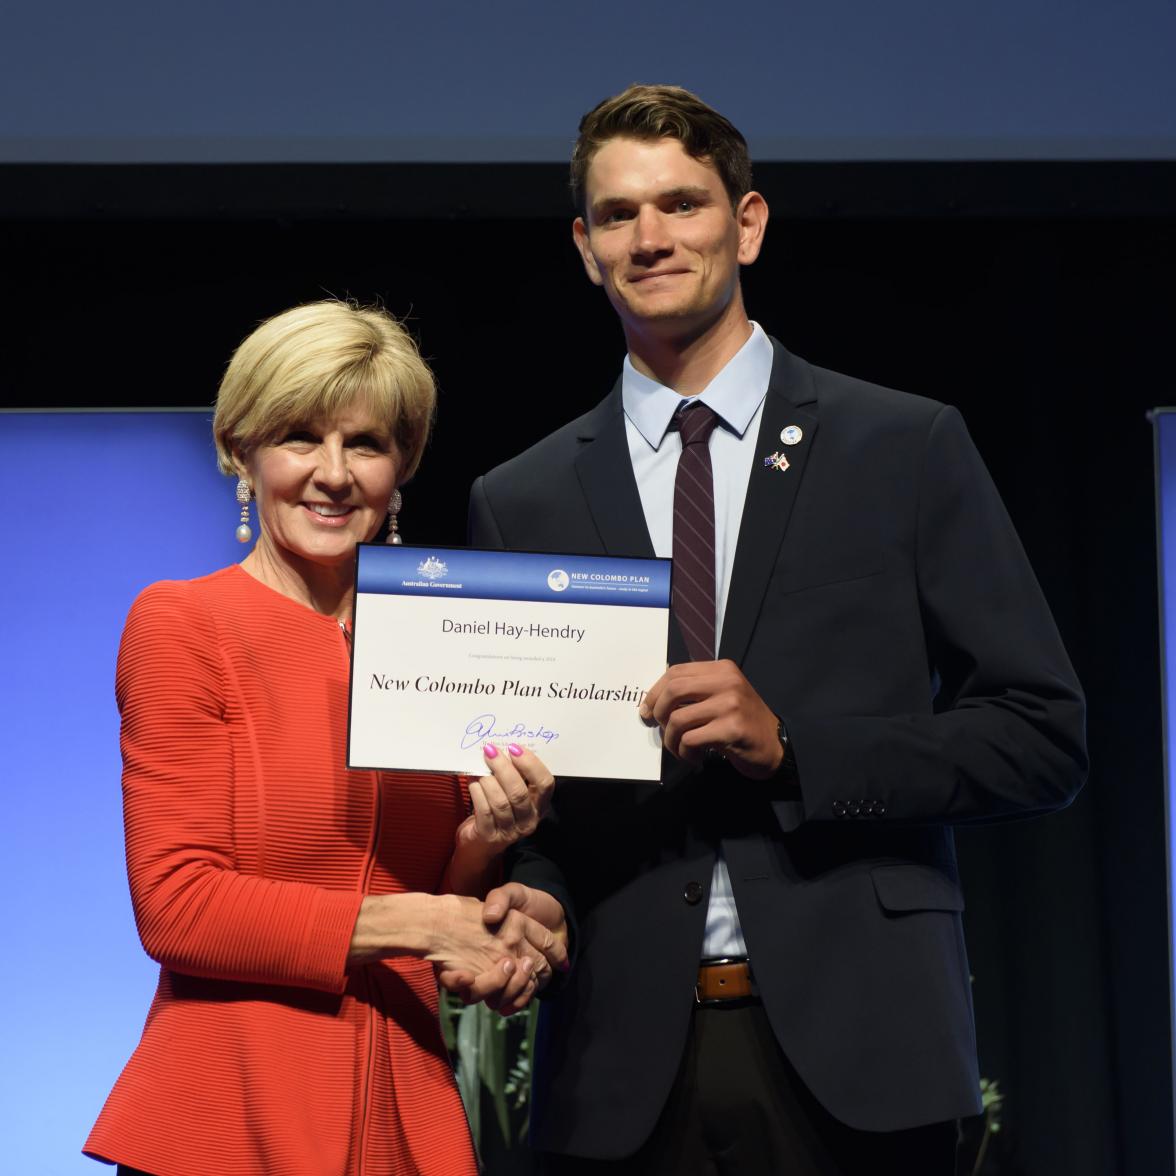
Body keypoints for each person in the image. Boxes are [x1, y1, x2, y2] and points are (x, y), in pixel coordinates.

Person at [467, 85, 1087, 1174]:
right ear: (583, 245)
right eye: (617, 215)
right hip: (620, 1068)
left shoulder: (902, 448)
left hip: (863, 1054)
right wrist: (536, 893)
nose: (650, 237)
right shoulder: (521, 500)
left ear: (746, 222)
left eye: (682, 204)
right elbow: (545, 803)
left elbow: (1042, 735)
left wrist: (797, 749)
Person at [85, 301, 566, 1176]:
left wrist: (483, 847)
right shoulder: (182, 623)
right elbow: (178, 905)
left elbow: (441, 899)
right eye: (300, 437)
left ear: (404, 464)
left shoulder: (449, 639)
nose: (333, 474)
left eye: (367, 444)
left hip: (403, 1103)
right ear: (242, 449)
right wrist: (428, 922)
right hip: (230, 1108)